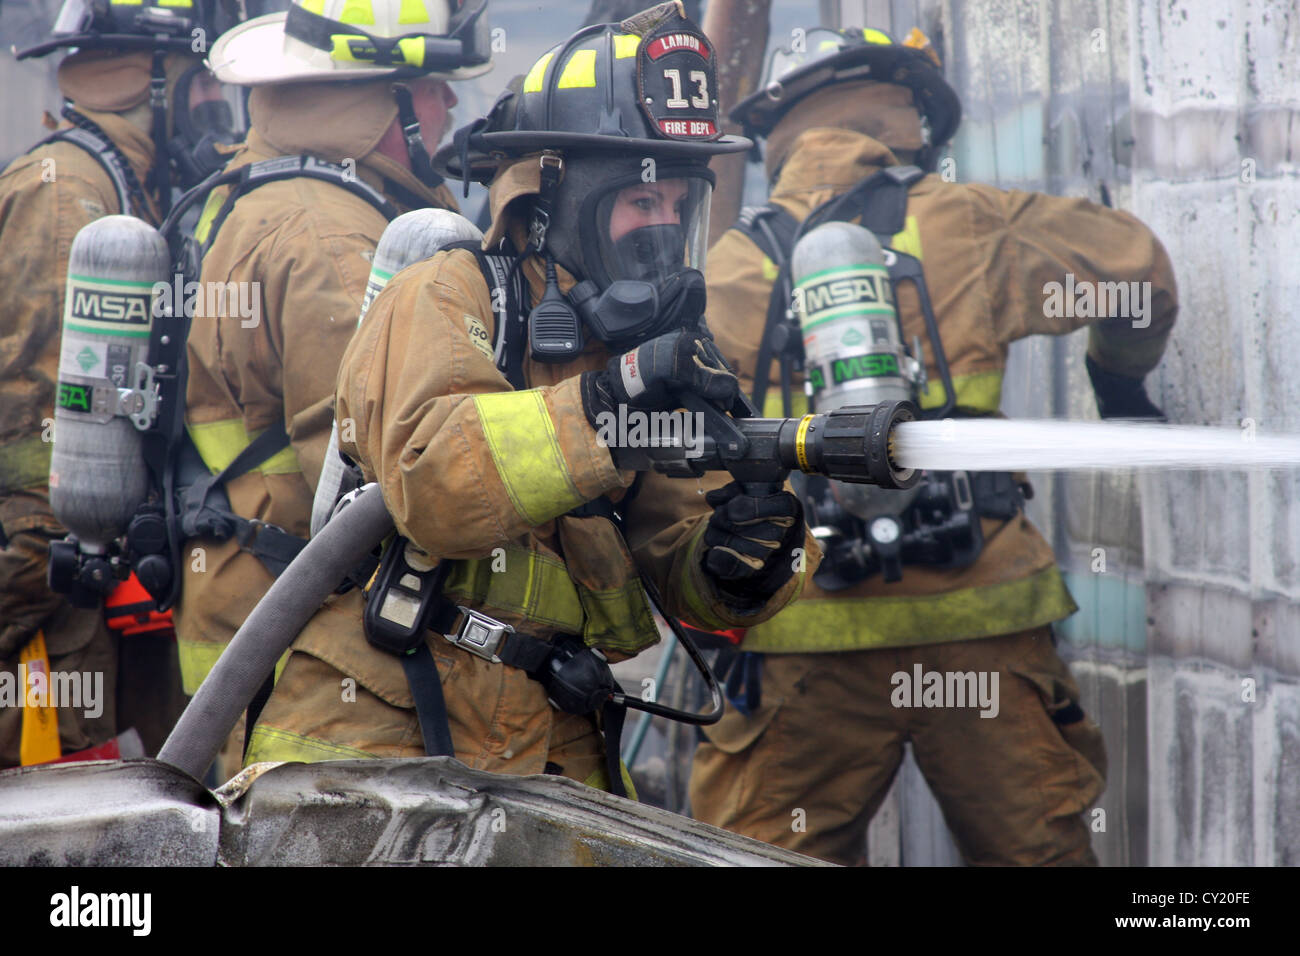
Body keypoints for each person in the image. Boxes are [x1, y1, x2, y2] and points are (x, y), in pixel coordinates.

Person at [242, 1, 815, 796]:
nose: (664, 226)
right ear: (560, 199)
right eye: (640, 202)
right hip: (376, 742)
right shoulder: (448, 294)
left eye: (679, 205)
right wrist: (613, 403)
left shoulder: (642, 346)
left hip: (551, 737)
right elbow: (434, 480)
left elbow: (673, 547)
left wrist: (736, 561)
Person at [688, 26, 1178, 865]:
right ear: (907, 113)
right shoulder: (972, 222)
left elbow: (684, 458)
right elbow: (1143, 274)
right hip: (982, 625)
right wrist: (1119, 386)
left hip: (805, 643)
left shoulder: (726, 267)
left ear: (784, 128)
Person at [174, 0, 491, 780]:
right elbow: (373, 470)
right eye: (429, 85)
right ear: (372, 102)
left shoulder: (263, 192)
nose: (449, 105)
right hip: (297, 639)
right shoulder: (336, 241)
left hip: (241, 610)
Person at [0, 0, 249, 767]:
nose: (215, 107)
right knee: (68, 835)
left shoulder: (125, 180)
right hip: (52, 614)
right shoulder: (66, 195)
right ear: (150, 76)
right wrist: (23, 592)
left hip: (94, 598)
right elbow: (37, 422)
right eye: (202, 82)